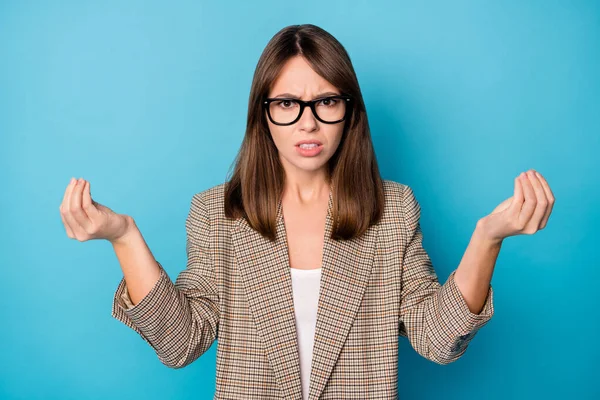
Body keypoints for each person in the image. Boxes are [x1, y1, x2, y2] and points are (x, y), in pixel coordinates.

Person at [59, 24, 554, 400]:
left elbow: (436, 339)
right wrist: (123, 237)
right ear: (263, 113)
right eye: (288, 104)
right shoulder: (216, 212)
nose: (308, 122)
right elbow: (180, 342)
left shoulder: (394, 209)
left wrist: (488, 237)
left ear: (349, 110)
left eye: (326, 102)